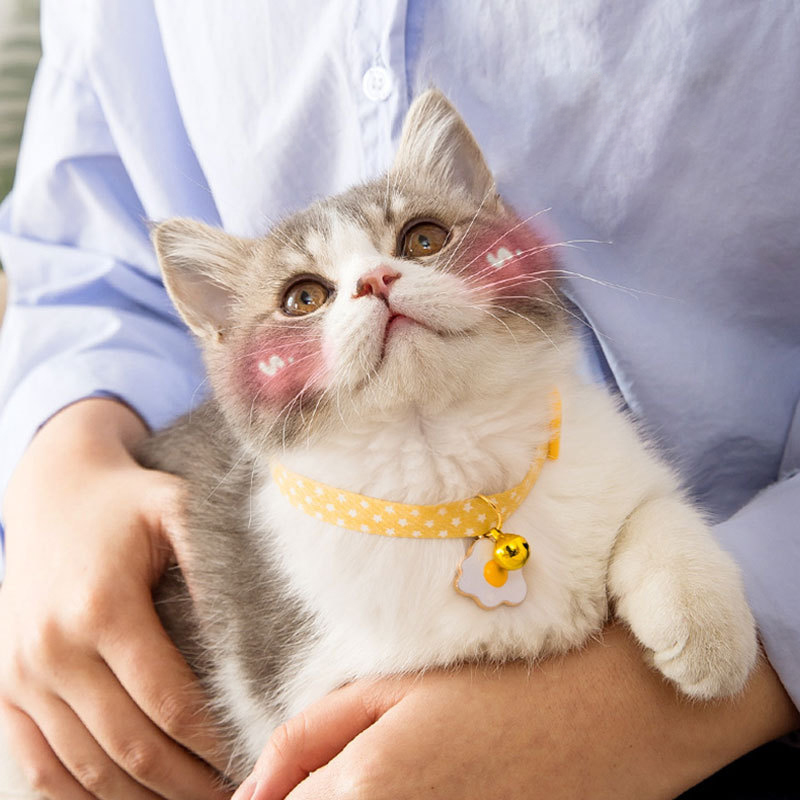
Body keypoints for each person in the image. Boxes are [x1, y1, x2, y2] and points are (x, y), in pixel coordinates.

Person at [0, 3, 798, 799]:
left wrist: (743, 610)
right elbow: (90, 260)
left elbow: (650, 523)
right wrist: (59, 466)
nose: (375, 282)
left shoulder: (601, 456)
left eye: (420, 240)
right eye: (308, 295)